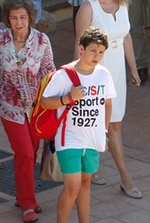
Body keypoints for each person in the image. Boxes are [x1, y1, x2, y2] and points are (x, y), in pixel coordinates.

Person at [0, 0, 55, 223]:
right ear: (7, 20)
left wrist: (58, 99)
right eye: (13, 18)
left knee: (31, 154)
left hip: (36, 108)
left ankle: (23, 196)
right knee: (26, 153)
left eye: (22, 17)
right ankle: (28, 204)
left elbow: (49, 71)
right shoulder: (0, 38)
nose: (19, 22)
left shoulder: (42, 41)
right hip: (10, 107)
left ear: (30, 18)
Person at [74, 0, 143, 198]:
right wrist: (77, 78)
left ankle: (91, 169)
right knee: (98, 123)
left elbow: (126, 38)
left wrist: (133, 70)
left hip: (117, 72)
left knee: (114, 124)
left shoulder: (123, 4)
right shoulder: (88, 7)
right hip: (94, 73)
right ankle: (125, 177)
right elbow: (79, 45)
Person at [41, 27, 116, 223]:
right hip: (68, 139)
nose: (97, 56)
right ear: (81, 49)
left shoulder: (104, 74)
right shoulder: (64, 75)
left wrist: (105, 132)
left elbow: (107, 104)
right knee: (72, 187)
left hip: (92, 139)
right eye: (93, 50)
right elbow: (44, 102)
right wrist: (68, 98)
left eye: (101, 52)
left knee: (85, 183)